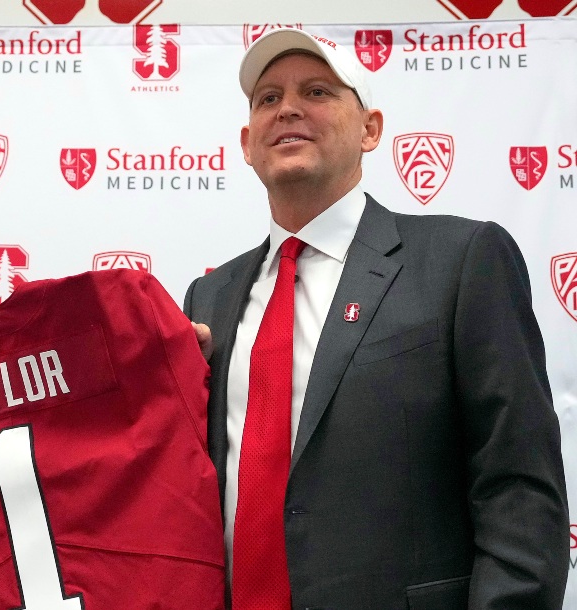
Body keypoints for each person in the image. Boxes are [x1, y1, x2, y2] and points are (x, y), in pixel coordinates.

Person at [184, 28, 568, 609]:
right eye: (268, 98)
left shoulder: (462, 261)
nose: (287, 108)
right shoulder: (207, 299)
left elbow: (519, 487)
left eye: (317, 91)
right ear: (246, 143)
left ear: (370, 129)